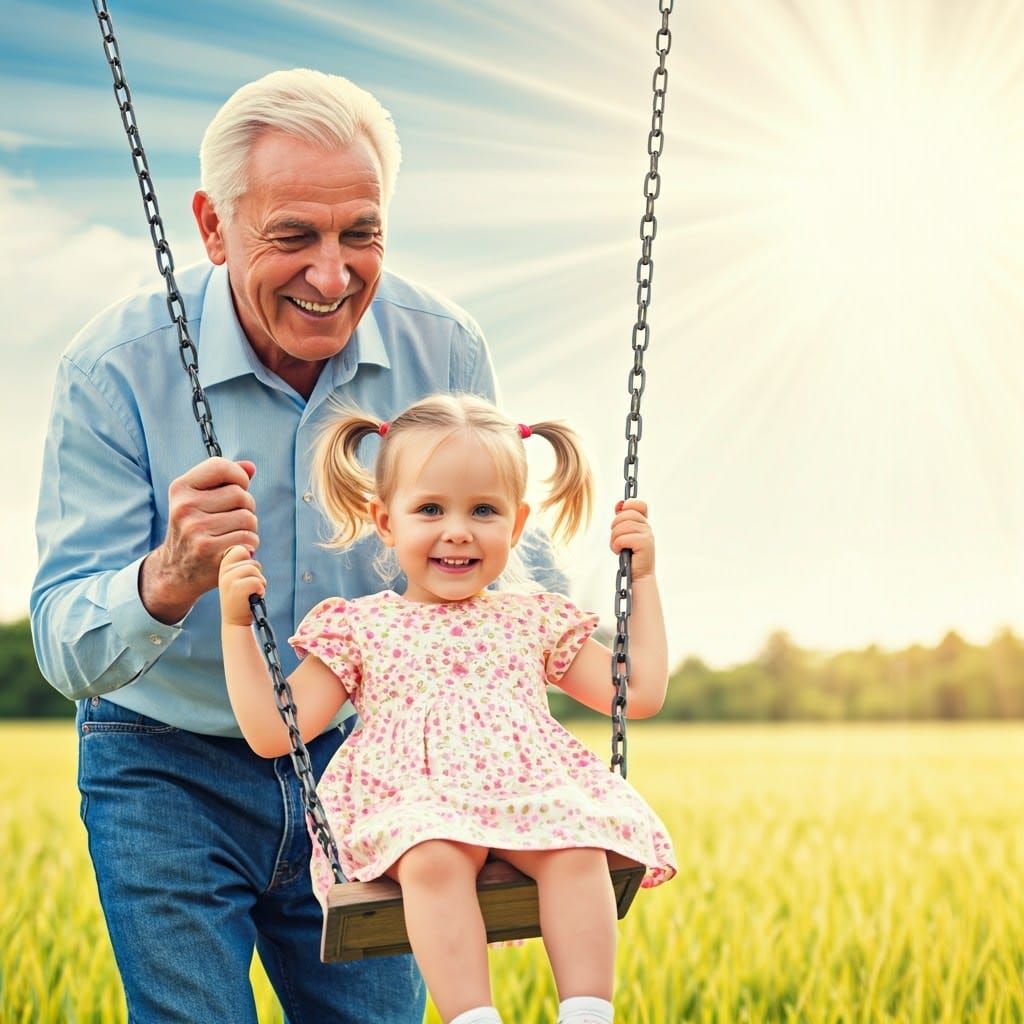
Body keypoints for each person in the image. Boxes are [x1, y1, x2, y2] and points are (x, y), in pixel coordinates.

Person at [31, 69, 562, 1023]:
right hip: (163, 761)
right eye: (294, 237)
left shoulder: (442, 347)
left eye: (361, 233)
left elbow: (500, 551)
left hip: (368, 753)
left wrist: (593, 643)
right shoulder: (115, 369)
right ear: (211, 225)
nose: (332, 275)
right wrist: (167, 578)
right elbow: (62, 640)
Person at [218, 393, 677, 1024]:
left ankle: (588, 1012)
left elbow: (637, 692)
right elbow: (276, 732)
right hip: (419, 805)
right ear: (386, 521)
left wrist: (644, 579)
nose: (457, 529)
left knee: (577, 846)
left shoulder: (532, 617)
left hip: (528, 796)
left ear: (515, 527)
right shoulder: (361, 627)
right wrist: (236, 627)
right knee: (434, 851)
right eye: (430, 508)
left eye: (483, 510)